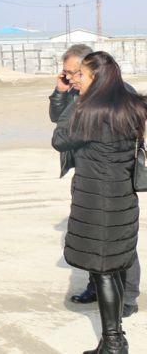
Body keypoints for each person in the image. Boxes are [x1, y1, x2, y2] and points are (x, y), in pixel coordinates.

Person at [52, 51, 146, 354]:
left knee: (104, 272)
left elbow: (59, 139)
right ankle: (113, 337)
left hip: (97, 202)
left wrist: (76, 99)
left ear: (96, 78)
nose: (76, 79)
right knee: (114, 269)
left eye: (82, 75)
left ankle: (114, 342)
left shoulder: (88, 111)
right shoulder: (130, 105)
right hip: (122, 199)